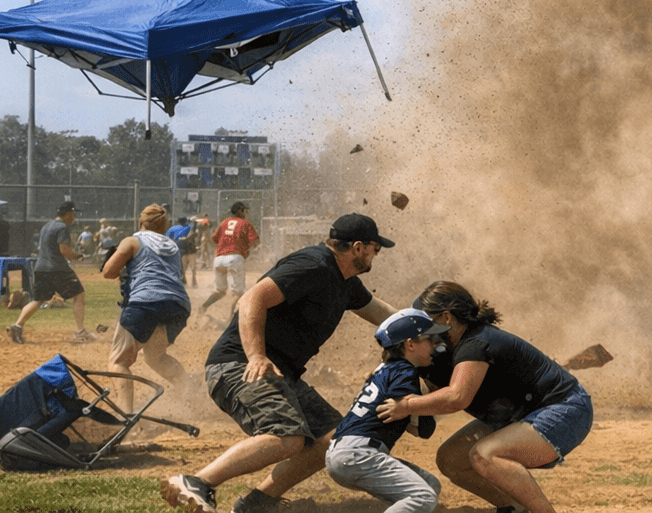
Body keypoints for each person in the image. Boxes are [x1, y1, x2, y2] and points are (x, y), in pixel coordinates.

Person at [160, 213, 397, 513]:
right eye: (376, 249)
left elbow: (385, 315)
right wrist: (256, 355)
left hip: (282, 373)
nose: (376, 256)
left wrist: (427, 329)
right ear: (358, 247)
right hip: (238, 364)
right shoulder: (313, 265)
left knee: (335, 438)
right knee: (287, 435)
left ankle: (258, 502)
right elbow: (252, 299)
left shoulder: (345, 282)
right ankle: (196, 482)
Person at [377, 280, 593, 513]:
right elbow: (438, 396)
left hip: (566, 409)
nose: (422, 331)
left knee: (486, 455)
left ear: (447, 318)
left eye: (426, 322)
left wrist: (406, 406)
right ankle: (514, 508)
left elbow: (457, 398)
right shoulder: (452, 348)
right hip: (525, 413)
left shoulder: (475, 343)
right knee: (452, 459)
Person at [326, 308, 448, 513]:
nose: (435, 345)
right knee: (422, 497)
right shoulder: (405, 372)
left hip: (345, 454)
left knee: (430, 485)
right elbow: (425, 427)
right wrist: (433, 389)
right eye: (430, 339)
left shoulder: (385, 370)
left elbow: (419, 428)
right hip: (359, 455)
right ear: (410, 344)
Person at [101, 204, 191, 410]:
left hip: (145, 303)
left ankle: (126, 414)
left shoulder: (132, 241)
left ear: (141, 221)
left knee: (119, 362)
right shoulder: (173, 246)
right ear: (164, 226)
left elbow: (108, 272)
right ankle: (192, 396)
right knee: (156, 357)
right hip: (178, 306)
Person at [9, 201, 92, 345]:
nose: (74, 217)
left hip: (41, 268)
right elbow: (63, 250)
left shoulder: (46, 226)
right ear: (68, 214)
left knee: (38, 300)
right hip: (57, 268)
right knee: (79, 295)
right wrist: (78, 255)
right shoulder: (62, 227)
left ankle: (17, 325)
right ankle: (80, 332)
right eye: (73, 214)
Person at [200, 201, 261, 325]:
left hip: (219, 259)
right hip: (235, 258)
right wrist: (249, 250)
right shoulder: (245, 223)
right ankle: (229, 320)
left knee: (220, 291)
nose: (246, 212)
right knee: (238, 293)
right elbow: (256, 241)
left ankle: (204, 306)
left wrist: (206, 233)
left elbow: (214, 240)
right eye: (245, 210)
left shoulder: (225, 222)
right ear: (240, 211)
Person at [168, 217, 198, 286]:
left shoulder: (175, 228)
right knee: (188, 266)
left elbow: (168, 237)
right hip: (188, 249)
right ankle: (189, 281)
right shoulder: (189, 227)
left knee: (187, 266)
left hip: (186, 249)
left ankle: (189, 280)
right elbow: (193, 233)